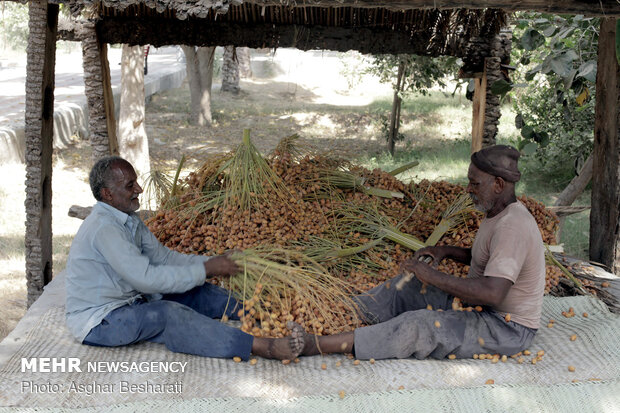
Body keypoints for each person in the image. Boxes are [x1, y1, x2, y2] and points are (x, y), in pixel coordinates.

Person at [297, 145, 546, 360]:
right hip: (480, 307)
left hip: (505, 327)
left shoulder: (513, 225)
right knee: (408, 287)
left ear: (499, 184)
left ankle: (317, 344)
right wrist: (444, 251)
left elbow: (493, 293)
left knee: (419, 326)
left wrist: (431, 276)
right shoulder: (497, 212)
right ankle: (338, 312)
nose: (468, 189)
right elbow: (486, 258)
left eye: (475, 183)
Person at [65, 156, 304, 361]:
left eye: (136, 181)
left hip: (133, 302)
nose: (139, 188)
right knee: (168, 314)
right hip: (101, 320)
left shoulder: (129, 219)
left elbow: (164, 258)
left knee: (198, 292)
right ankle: (261, 347)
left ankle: (267, 313)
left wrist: (212, 262)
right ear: (107, 194)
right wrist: (207, 268)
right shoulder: (104, 228)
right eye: (130, 185)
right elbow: (146, 279)